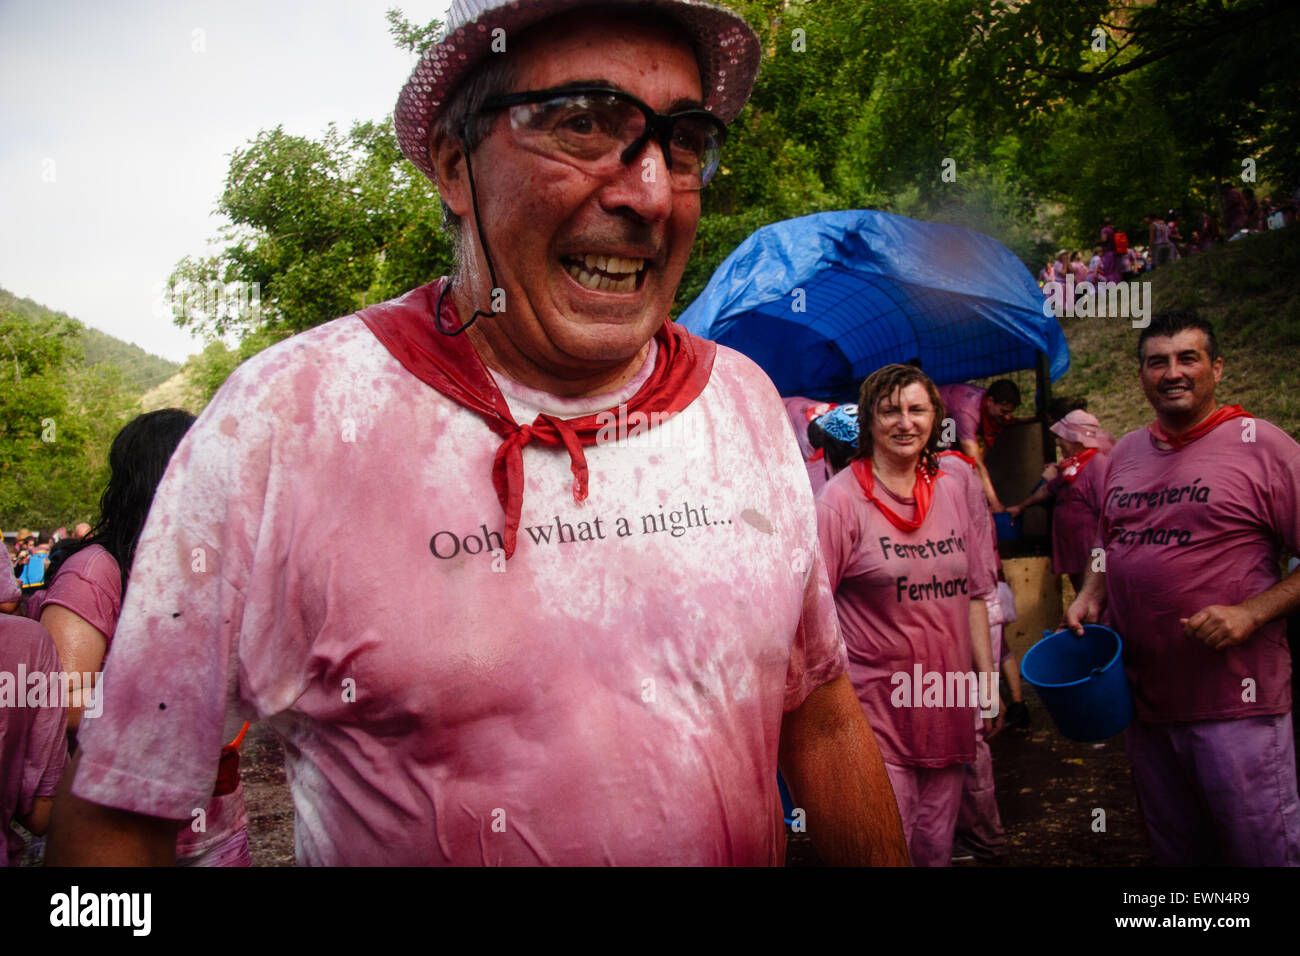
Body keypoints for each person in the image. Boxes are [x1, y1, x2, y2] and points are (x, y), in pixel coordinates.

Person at [50, 0, 909, 867]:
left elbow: (822, 714)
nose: (649, 192)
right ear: (456, 166)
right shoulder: (284, 424)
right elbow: (120, 816)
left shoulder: (745, 405)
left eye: (680, 140)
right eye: (582, 122)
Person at [1066, 310, 1300, 866]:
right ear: (1142, 376)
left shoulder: (1262, 446)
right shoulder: (1123, 455)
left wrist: (1253, 612)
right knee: (1179, 859)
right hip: (1145, 705)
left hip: (1237, 704)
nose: (1173, 372)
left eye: (1188, 358)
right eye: (1157, 362)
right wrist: (1090, 591)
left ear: (1216, 369)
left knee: (1259, 853)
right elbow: (1107, 539)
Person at [30, 409, 253, 867]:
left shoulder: (208, 569)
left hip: (215, 830)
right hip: (114, 838)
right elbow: (63, 700)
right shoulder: (95, 573)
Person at [817, 365, 999, 866]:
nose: (904, 422)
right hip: (877, 709)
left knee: (934, 849)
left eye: (917, 409)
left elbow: (976, 594)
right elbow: (812, 613)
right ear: (869, 420)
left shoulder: (957, 482)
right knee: (886, 848)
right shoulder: (838, 503)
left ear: (935, 418)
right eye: (889, 410)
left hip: (948, 703)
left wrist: (987, 683)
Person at [1007, 409, 1110, 593]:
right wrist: (1021, 507)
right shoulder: (1072, 467)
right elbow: (1048, 489)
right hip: (1075, 556)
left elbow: (1107, 517)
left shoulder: (1098, 466)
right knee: (1081, 595)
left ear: (1075, 438)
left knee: (1097, 597)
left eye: (1062, 437)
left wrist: (1099, 564)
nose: (1059, 442)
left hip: (1094, 556)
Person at [936, 379, 1022, 513]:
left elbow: (981, 457)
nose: (1008, 417)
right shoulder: (967, 412)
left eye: (1010, 412)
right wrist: (995, 504)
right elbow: (976, 464)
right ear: (990, 402)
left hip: (948, 421)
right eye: (1004, 411)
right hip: (935, 420)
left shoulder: (984, 404)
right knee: (948, 462)